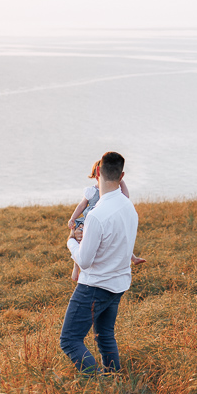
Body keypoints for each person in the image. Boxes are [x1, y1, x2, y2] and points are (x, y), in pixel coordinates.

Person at [61, 151, 139, 374]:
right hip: (118, 284)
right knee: (104, 335)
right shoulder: (129, 207)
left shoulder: (96, 215)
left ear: (97, 172)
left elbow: (84, 261)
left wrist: (70, 242)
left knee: (69, 340)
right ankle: (115, 380)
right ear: (121, 175)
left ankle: (99, 385)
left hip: (94, 286)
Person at [67, 159, 145, 282]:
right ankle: (76, 268)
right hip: (88, 219)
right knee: (80, 242)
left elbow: (126, 196)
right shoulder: (91, 191)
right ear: (97, 174)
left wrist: (121, 180)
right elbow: (82, 206)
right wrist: (73, 218)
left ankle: (133, 258)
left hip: (103, 220)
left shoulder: (114, 190)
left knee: (119, 237)